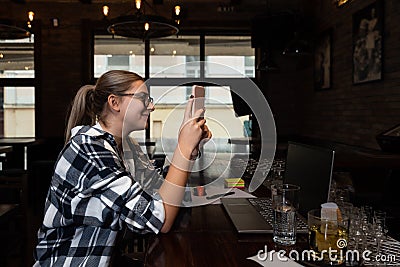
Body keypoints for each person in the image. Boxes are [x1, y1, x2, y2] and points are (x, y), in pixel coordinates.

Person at [33, 70, 211, 266]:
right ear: (114, 102)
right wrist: (183, 148)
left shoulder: (127, 146)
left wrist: (190, 150)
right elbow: (161, 219)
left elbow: (161, 191)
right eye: (143, 98)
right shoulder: (88, 150)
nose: (151, 106)